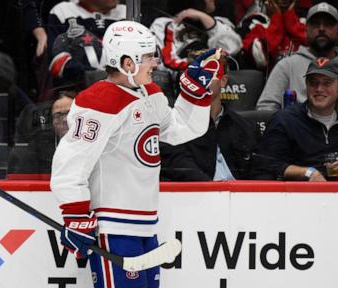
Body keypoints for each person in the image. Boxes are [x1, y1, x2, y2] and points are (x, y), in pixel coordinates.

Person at [50, 20, 221, 287]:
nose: (155, 63)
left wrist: (194, 93)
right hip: (113, 227)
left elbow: (179, 130)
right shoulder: (98, 101)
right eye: (148, 57)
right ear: (127, 63)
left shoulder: (150, 93)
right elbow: (70, 162)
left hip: (145, 225)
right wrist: (76, 214)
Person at [258, 57, 338, 181]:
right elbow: (264, 166)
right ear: (306, 85)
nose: (319, 89)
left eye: (327, 83)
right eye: (313, 82)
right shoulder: (284, 120)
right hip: (294, 196)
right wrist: (308, 172)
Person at [160, 51, 258, 181]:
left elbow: (260, 168)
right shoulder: (172, 123)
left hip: (240, 196)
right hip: (199, 196)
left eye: (207, 75)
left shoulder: (241, 125)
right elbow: (180, 167)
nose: (199, 81)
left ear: (223, 81)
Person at [256, 2, 338, 111]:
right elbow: (265, 109)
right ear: (306, 29)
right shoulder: (287, 65)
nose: (321, 28)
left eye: (328, 24)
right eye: (315, 24)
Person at [149, 0, 242, 76]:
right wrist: (200, 63)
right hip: (181, 86)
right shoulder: (164, 24)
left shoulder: (220, 22)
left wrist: (203, 17)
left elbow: (232, 49)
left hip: (220, 87)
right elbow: (163, 64)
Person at [47, 0, 126, 82]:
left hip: (122, 86)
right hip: (77, 88)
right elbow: (57, 60)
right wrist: (91, 76)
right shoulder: (63, 11)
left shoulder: (127, 13)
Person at [239, 0, 307, 70]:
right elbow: (261, 60)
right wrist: (277, 18)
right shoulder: (254, 23)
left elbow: (314, 47)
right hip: (270, 79)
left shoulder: (305, 23)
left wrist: (291, 24)